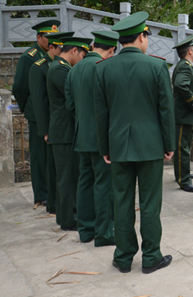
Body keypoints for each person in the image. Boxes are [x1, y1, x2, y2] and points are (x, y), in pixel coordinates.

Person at [95, 11, 175, 273]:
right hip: (151, 146)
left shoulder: (103, 68)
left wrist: (105, 148)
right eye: (146, 36)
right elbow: (166, 110)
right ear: (141, 36)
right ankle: (151, 257)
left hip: (118, 146)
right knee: (151, 203)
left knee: (121, 201)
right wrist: (169, 144)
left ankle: (123, 257)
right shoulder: (156, 66)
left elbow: (101, 113)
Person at [65, 31, 117, 246]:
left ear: (94, 45)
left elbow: (70, 106)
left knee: (84, 182)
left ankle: (86, 230)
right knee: (104, 184)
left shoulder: (74, 70)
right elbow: (113, 106)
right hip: (102, 137)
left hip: (81, 136)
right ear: (112, 50)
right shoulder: (105, 68)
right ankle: (104, 233)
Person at [47, 36, 91, 231]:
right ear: (74, 51)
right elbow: (73, 97)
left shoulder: (60, 68)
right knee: (67, 177)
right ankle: (69, 219)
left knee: (66, 176)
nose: (82, 59)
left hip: (64, 130)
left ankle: (64, 216)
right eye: (82, 55)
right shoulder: (60, 70)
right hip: (64, 131)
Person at [13, 20, 58, 208]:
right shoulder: (29, 57)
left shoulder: (52, 54)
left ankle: (51, 190)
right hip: (36, 113)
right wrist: (27, 108)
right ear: (38, 37)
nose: (50, 41)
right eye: (47, 37)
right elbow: (19, 87)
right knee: (39, 155)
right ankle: (41, 194)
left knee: (49, 155)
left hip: (49, 111)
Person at [29, 30, 74, 218]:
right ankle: (52, 203)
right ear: (52, 47)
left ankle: (55, 204)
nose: (59, 51)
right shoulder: (39, 67)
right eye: (57, 47)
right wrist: (44, 129)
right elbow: (39, 103)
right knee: (53, 168)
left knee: (57, 169)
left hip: (59, 125)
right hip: (52, 125)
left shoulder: (57, 66)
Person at [171, 35, 193, 193]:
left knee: (185, 145)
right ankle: (183, 179)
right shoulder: (184, 66)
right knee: (182, 147)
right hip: (183, 114)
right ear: (190, 51)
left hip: (185, 114)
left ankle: (184, 172)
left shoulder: (186, 65)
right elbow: (180, 85)